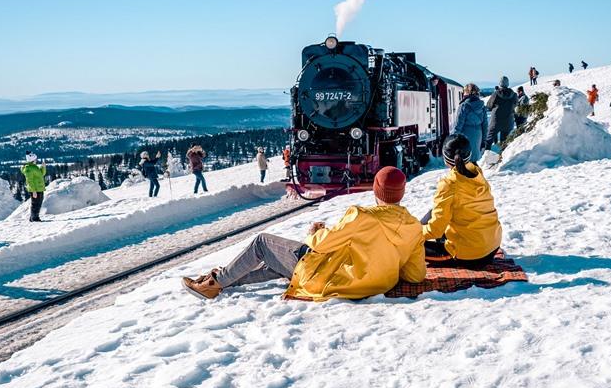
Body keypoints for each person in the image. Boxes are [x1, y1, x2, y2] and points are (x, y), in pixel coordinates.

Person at [182, 166, 426, 301]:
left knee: (262, 243)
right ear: (402, 192)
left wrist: (316, 231)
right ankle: (220, 282)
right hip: (376, 283)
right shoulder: (414, 226)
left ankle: (217, 282)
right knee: (278, 264)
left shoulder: (363, 216)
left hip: (334, 278)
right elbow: (416, 275)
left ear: (376, 190)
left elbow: (321, 245)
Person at [420, 135, 502, 268]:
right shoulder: (476, 173)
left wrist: (414, 234)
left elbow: (435, 229)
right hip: (492, 244)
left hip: (470, 255)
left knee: (411, 246)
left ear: (445, 158)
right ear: (469, 154)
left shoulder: (448, 184)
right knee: (434, 212)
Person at [452, 83, 488, 162]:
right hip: (478, 135)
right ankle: (475, 174)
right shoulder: (482, 107)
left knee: (464, 161)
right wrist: (484, 141)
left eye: (464, 91)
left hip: (465, 136)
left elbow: (458, 125)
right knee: (474, 160)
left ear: (467, 92)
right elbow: (485, 126)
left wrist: (452, 140)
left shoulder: (464, 106)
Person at [485, 76, 518, 149]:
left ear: (500, 84)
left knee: (488, 140)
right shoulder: (514, 95)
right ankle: (503, 157)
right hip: (508, 121)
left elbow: (489, 105)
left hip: (495, 121)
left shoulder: (496, 94)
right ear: (508, 84)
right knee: (505, 142)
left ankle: (486, 157)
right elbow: (516, 105)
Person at [21, 151, 47, 221]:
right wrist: (33, 191)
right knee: (36, 204)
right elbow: (29, 181)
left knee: (39, 203)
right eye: (35, 159)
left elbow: (42, 174)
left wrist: (43, 167)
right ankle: (34, 218)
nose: (36, 160)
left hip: (39, 188)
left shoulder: (34, 167)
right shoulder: (29, 169)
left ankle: (33, 217)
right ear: (32, 160)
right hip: (35, 189)